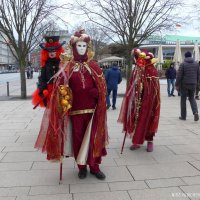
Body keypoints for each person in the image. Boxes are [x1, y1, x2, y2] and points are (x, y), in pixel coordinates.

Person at [34, 30, 108, 180]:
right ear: (74, 48)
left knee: (94, 138)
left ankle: (94, 166)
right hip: (75, 110)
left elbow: (103, 86)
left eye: (84, 46)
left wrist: (97, 91)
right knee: (78, 138)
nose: (81, 48)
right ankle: (81, 167)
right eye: (79, 45)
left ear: (87, 48)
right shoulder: (67, 67)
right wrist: (62, 92)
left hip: (92, 110)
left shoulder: (94, 66)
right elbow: (59, 89)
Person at [118, 49, 160, 152]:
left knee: (149, 120)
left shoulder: (152, 70)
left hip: (149, 101)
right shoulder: (136, 70)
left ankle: (150, 141)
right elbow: (132, 85)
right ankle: (136, 140)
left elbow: (154, 88)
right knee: (136, 119)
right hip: (137, 100)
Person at [32, 35, 65, 107]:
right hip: (49, 91)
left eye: (54, 51)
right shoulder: (45, 65)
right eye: (49, 51)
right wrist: (43, 89)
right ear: (46, 53)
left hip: (61, 91)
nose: (52, 53)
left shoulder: (62, 63)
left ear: (58, 52)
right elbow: (42, 78)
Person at [175, 51, 200, 121]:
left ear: (185, 56)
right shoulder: (196, 64)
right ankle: (195, 112)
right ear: (191, 56)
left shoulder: (183, 64)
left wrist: (176, 84)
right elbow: (198, 75)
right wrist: (197, 83)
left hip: (184, 84)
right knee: (192, 98)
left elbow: (179, 76)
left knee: (183, 100)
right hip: (193, 84)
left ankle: (183, 116)